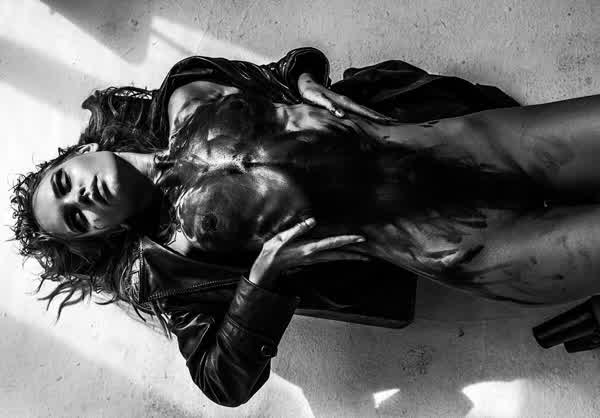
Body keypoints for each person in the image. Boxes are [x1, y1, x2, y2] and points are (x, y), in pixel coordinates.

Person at [13, 47, 598, 407]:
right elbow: (220, 382)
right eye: (76, 220)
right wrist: (260, 284)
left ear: (82, 152)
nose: (81, 198)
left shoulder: (187, 89)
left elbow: (282, 72)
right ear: (101, 235)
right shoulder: (172, 260)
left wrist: (302, 83)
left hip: (477, 142)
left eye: (64, 183)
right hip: (465, 247)